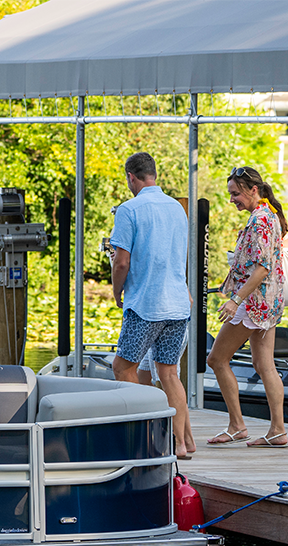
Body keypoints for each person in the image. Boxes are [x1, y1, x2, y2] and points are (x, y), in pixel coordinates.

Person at [110, 152, 195, 459]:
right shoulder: (177, 208)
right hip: (176, 303)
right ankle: (182, 443)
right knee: (169, 373)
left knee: (123, 368)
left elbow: (121, 262)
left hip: (145, 304)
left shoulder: (128, 209)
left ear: (131, 177)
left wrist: (117, 291)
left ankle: (145, 437)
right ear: (153, 174)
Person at [206, 166, 288, 448]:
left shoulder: (260, 220)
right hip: (268, 302)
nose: (231, 200)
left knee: (216, 359)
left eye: (235, 193)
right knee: (264, 364)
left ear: (253, 190)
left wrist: (235, 299)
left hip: (253, 303)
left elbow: (262, 269)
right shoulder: (269, 215)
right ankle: (278, 430)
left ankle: (237, 425)